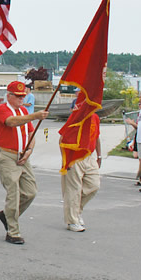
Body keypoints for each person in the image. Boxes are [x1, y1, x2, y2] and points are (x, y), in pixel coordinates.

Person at [0, 81, 49, 245]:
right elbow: (11, 122)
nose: (21, 99)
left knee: (30, 192)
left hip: (22, 156)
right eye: (17, 96)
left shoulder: (24, 110)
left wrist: (29, 151)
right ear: (9, 96)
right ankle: (13, 231)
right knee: (13, 192)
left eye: (22, 96)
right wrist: (35, 115)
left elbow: (31, 134)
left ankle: (7, 215)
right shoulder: (2, 109)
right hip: (7, 155)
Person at [60, 93, 101, 232]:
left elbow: (97, 137)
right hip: (74, 156)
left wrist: (99, 156)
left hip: (89, 156)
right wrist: (66, 161)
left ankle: (76, 211)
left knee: (94, 185)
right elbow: (62, 139)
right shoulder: (75, 119)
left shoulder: (95, 118)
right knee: (73, 190)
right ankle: (72, 221)